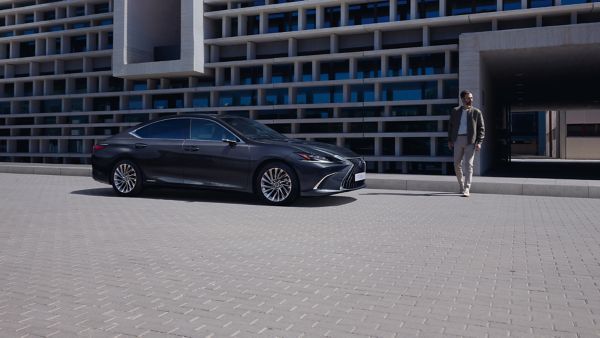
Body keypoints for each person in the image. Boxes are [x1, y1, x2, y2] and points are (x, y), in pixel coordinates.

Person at [448, 90, 485, 197]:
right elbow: (450, 126)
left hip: (470, 141)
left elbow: (481, 128)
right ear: (463, 99)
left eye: (472, 98)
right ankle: (461, 186)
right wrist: (450, 140)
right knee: (456, 164)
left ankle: (467, 188)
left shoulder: (476, 112)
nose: (471, 100)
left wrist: (479, 142)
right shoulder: (455, 111)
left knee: (469, 165)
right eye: (469, 98)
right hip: (458, 140)